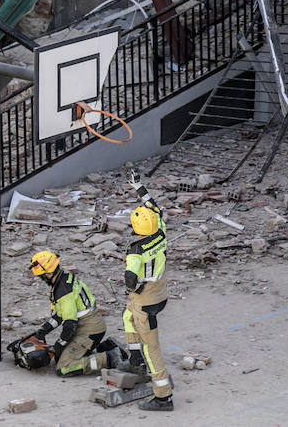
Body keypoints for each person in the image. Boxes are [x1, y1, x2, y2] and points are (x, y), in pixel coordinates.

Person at [20, 250, 124, 377]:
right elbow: (60, 314)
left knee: (64, 367)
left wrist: (59, 344)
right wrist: (44, 330)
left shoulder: (63, 291)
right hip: (91, 325)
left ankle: (109, 358)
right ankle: (107, 347)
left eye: (42, 276)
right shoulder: (64, 279)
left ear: (50, 272)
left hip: (90, 331)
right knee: (59, 357)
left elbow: (70, 325)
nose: (42, 279)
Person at [121, 174, 174, 411]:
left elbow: (130, 278)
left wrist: (132, 288)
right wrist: (140, 188)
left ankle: (163, 396)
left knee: (152, 349)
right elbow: (154, 207)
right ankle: (136, 360)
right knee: (127, 316)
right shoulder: (160, 231)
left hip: (146, 300)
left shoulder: (136, 250)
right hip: (160, 293)